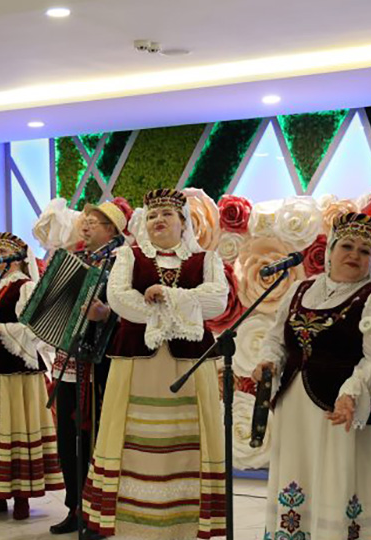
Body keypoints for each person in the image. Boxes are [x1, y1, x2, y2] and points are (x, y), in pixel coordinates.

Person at [81, 188, 229, 540]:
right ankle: (134, 521)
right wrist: (171, 309)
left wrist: (167, 296)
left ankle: (184, 521)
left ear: (183, 222)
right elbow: (120, 299)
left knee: (187, 437)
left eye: (166, 214)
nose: (158, 220)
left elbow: (217, 302)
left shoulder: (206, 259)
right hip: (137, 365)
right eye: (151, 215)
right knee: (133, 437)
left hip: (189, 367)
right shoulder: (129, 256)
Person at [252, 212, 371, 539]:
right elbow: (276, 339)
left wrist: (351, 392)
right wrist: (269, 361)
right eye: (347, 246)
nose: (354, 255)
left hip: (343, 410)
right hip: (294, 407)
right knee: (299, 475)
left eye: (365, 251)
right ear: (330, 250)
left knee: (338, 477)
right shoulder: (299, 289)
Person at [0, 232, 64, 520]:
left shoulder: (26, 287)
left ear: (18, 258)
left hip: (15, 371)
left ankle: (21, 497)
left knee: (16, 428)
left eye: (3, 251)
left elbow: (36, 330)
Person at [47, 201, 127, 536]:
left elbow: (130, 311)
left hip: (101, 362)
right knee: (68, 438)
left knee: (97, 439)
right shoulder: (78, 259)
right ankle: (75, 507)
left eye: (94, 221)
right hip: (70, 360)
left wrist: (106, 315)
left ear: (112, 229)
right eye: (86, 220)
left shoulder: (123, 261)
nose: (86, 225)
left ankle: (101, 511)